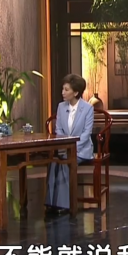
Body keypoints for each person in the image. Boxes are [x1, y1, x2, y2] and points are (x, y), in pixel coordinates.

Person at [46, 74, 94, 215]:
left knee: (66, 162)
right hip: (64, 149)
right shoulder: (61, 107)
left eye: (66, 90)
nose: (63, 92)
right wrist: (65, 147)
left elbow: (86, 134)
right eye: (63, 89)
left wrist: (72, 149)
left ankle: (63, 204)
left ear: (76, 92)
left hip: (81, 150)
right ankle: (51, 202)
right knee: (53, 162)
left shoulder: (87, 108)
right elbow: (58, 130)